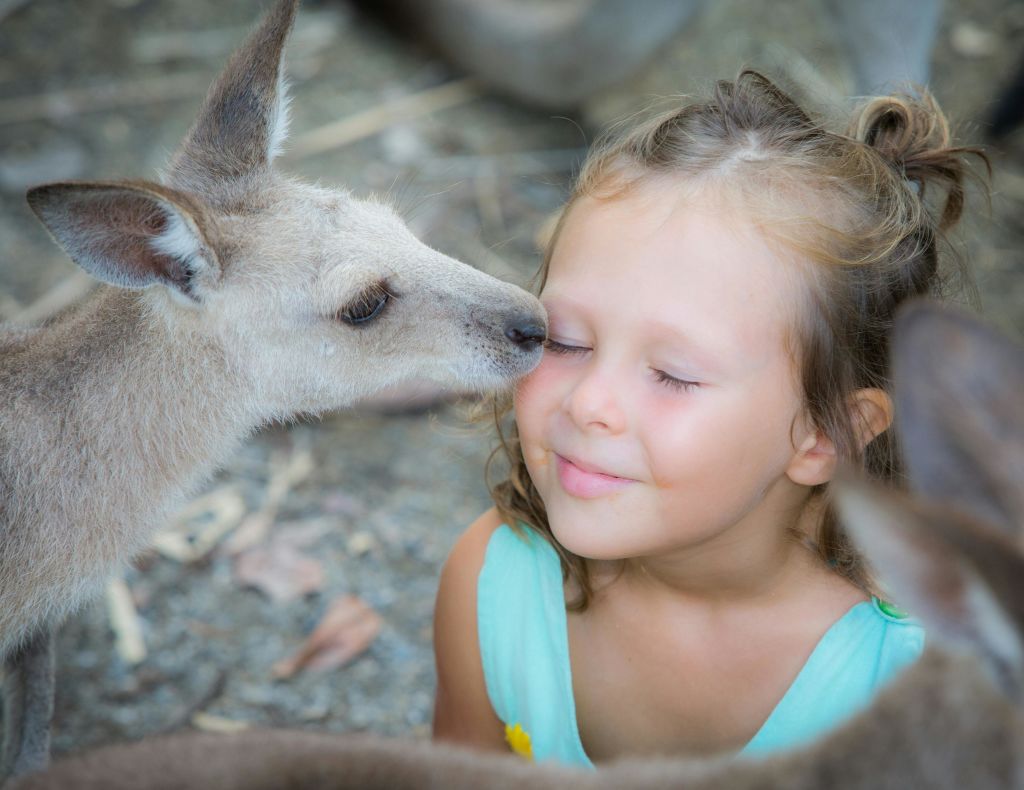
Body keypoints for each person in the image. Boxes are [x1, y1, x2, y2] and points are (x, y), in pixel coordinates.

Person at [431, 70, 986, 767]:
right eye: (566, 340)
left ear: (828, 434)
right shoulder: (492, 588)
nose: (587, 403)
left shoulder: (921, 683)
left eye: (674, 375)